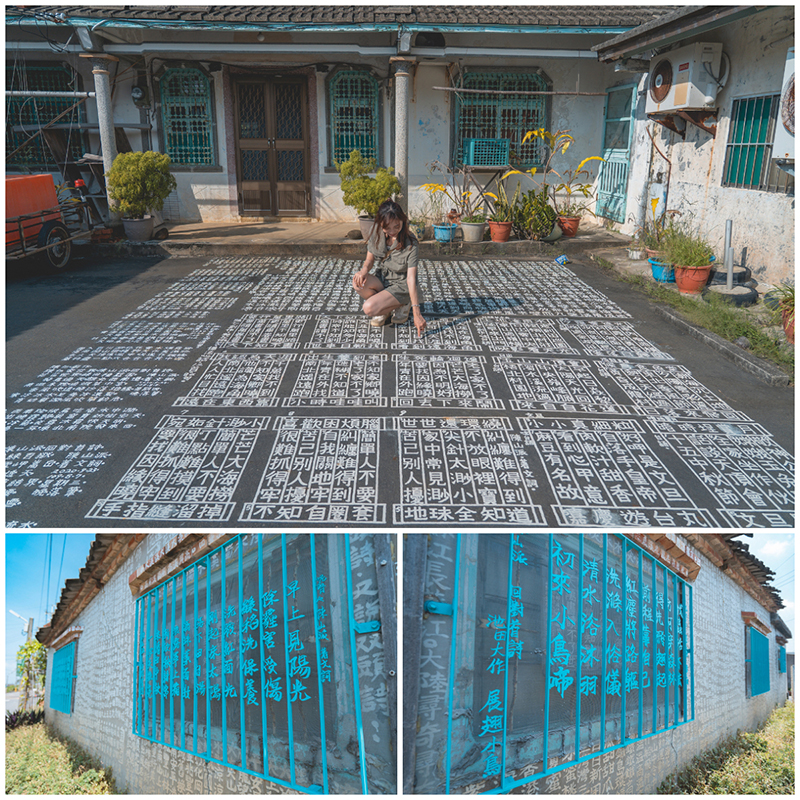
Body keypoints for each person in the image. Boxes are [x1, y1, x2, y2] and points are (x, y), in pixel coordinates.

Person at [352, 199, 427, 337]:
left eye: (396, 226)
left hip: (400, 284)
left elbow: (411, 278)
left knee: (368, 308)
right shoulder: (377, 234)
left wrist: (417, 313)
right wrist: (363, 271)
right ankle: (385, 309)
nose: (392, 231)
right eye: (387, 227)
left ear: (403, 222)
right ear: (381, 223)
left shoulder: (411, 243)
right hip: (383, 278)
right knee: (357, 283)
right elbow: (369, 259)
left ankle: (404, 303)